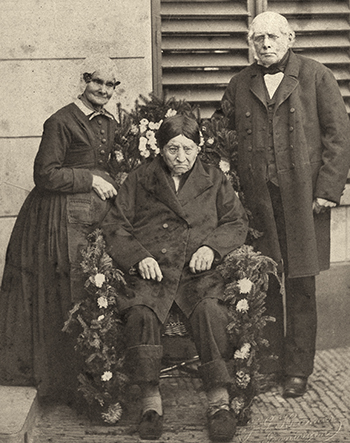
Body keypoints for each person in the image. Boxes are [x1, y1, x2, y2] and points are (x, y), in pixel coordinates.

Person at [219, 11, 350, 398]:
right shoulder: (240, 83)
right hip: (258, 202)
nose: (265, 45)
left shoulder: (316, 75)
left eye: (273, 37)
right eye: (258, 39)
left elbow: (339, 136)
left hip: (304, 200)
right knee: (265, 281)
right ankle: (270, 361)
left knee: (301, 284)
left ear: (290, 38)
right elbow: (220, 131)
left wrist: (327, 189)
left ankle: (297, 369)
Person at [102, 114, 248, 441]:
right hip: (153, 270)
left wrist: (212, 248)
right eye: (172, 150)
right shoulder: (141, 179)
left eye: (188, 149)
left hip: (198, 272)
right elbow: (115, 225)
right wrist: (138, 257)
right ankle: (150, 402)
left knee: (211, 309)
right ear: (160, 148)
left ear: (199, 148)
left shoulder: (214, 180)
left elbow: (236, 222)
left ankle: (218, 401)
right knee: (141, 311)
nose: (180, 158)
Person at [0, 55, 120, 404]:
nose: (103, 90)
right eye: (97, 82)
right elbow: (45, 174)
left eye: (110, 84)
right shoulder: (60, 121)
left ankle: (86, 378)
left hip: (87, 216)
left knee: (87, 288)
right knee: (58, 291)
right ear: (84, 81)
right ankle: (58, 382)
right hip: (52, 218)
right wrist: (90, 179)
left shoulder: (109, 122)